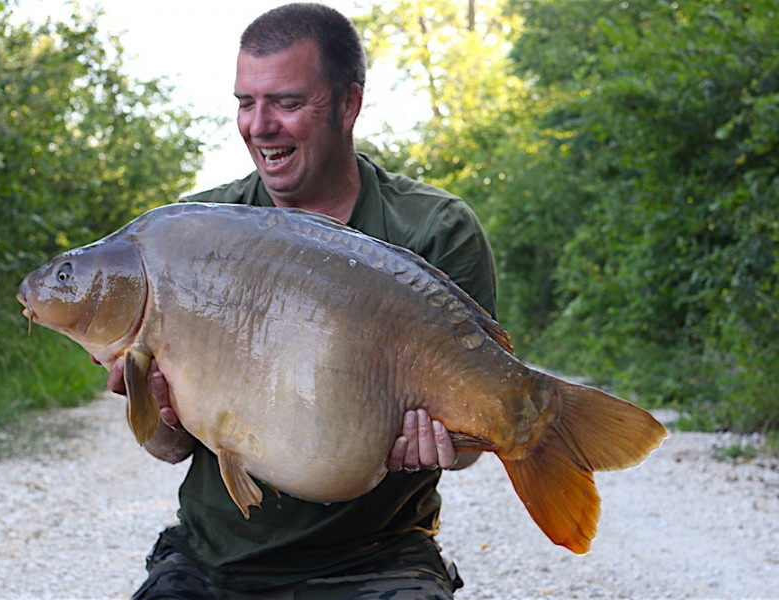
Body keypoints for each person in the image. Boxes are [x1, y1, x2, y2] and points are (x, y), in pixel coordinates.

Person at [107, 4, 498, 598]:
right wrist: (158, 406)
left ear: (349, 105)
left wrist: (445, 446)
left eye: (287, 103)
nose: (259, 126)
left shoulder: (434, 229)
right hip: (214, 560)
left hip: (379, 557)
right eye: (245, 102)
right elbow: (170, 448)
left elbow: (470, 441)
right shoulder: (195, 235)